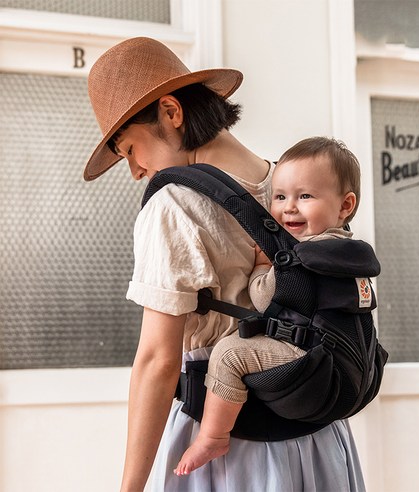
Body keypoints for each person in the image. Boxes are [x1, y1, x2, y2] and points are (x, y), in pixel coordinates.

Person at [84, 37, 366, 492]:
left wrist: (129, 487)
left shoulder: (173, 205)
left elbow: (158, 360)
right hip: (318, 436)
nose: (134, 170)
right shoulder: (296, 186)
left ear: (171, 113)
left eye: (129, 148)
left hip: (230, 448)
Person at [174, 136, 360, 476]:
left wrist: (263, 264)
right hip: (333, 354)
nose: (289, 207)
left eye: (305, 196)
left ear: (345, 206)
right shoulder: (345, 248)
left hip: (307, 355)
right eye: (280, 196)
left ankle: (214, 435)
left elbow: (263, 297)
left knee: (230, 353)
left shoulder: (305, 256)